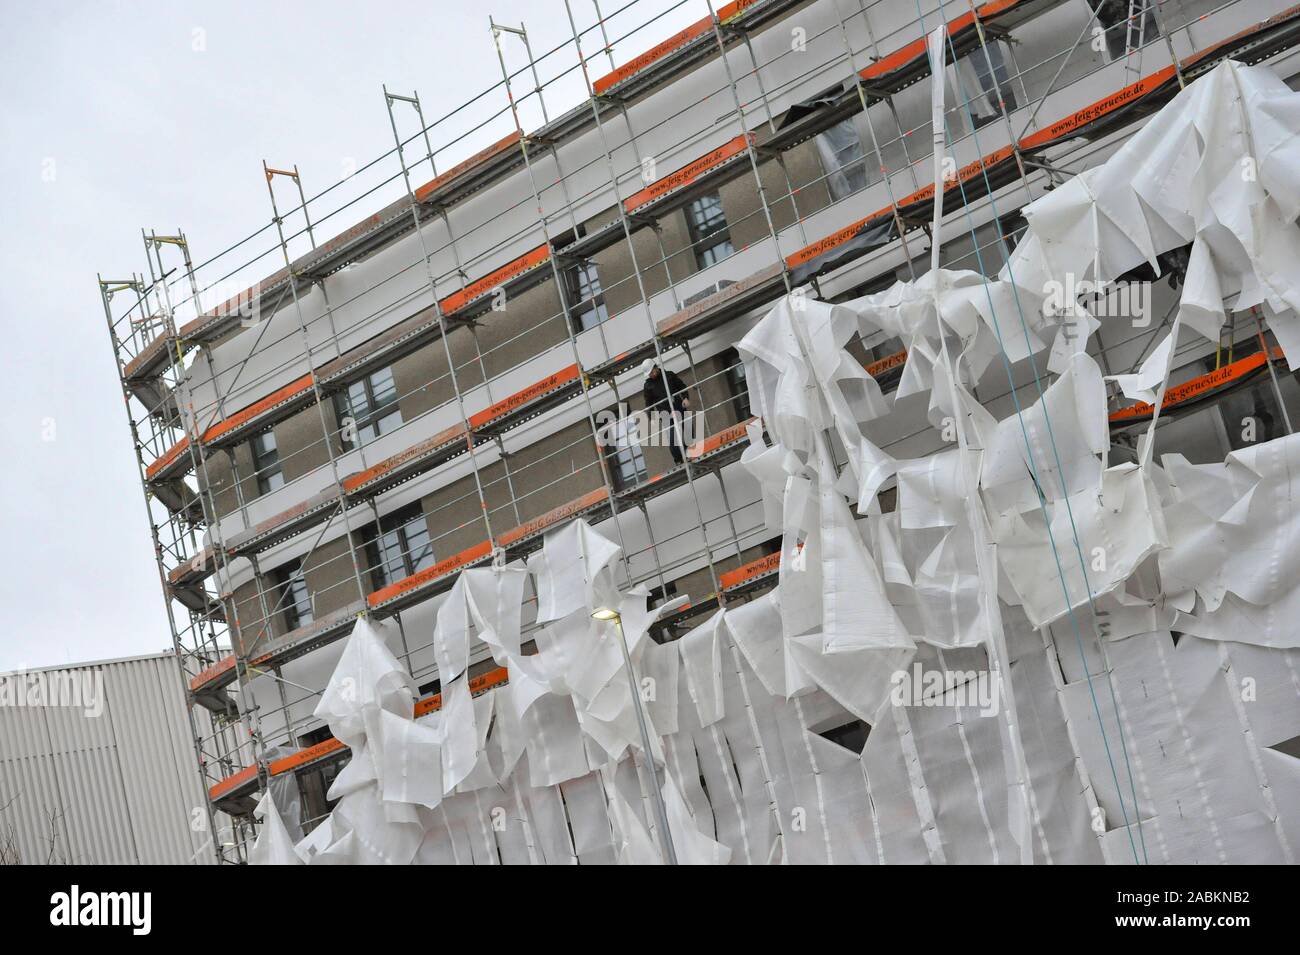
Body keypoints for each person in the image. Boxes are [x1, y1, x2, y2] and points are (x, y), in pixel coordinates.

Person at [641, 359, 690, 465]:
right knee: (672, 437)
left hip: (678, 408)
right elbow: (649, 403)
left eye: (652, 372)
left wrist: (686, 398)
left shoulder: (669, 376)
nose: (651, 375)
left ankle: (689, 454)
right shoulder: (648, 385)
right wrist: (651, 418)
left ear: (655, 367)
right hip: (665, 414)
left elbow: (682, 386)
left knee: (686, 431)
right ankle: (678, 459)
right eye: (649, 374)